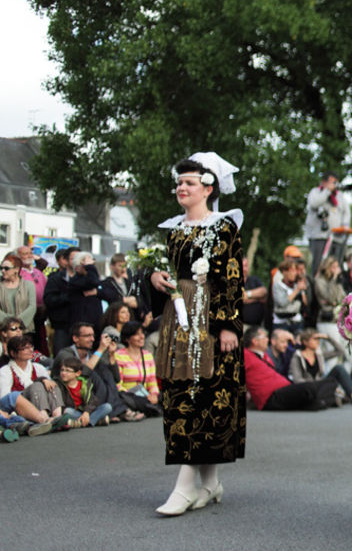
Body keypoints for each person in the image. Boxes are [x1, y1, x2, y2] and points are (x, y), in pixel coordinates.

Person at [147, 152, 245, 516]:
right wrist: (153, 280)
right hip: (178, 320)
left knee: (207, 396)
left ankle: (186, 486)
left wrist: (227, 326)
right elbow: (160, 270)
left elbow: (233, 278)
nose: (181, 188)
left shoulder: (223, 227)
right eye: (179, 182)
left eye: (189, 182)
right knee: (182, 394)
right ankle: (210, 482)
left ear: (208, 187)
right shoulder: (172, 230)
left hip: (210, 322)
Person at [243, 326, 338, 410]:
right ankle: (322, 401)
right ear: (254, 341)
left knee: (331, 381)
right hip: (271, 397)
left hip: (286, 389)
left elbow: (290, 352)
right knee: (309, 388)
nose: (267, 340)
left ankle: (317, 402)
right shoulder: (246, 355)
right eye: (265, 337)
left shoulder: (264, 356)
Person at [288, 330, 352, 405]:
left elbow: (340, 351)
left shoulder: (319, 354)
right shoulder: (297, 357)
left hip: (321, 384)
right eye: (314, 339)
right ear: (305, 342)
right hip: (308, 387)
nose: (317, 342)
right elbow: (297, 379)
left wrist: (328, 338)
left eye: (318, 339)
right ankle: (334, 397)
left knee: (338, 369)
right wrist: (314, 384)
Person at [305, 171, 351, 275]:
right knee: (319, 265)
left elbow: (346, 212)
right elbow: (314, 203)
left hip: (336, 237)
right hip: (319, 237)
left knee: (336, 265)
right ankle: (316, 286)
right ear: (324, 182)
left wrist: (345, 225)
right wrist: (327, 191)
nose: (335, 185)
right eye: (332, 182)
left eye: (336, 182)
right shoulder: (316, 192)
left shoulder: (340, 196)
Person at [313, 256, 352, 374]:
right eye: (333, 267)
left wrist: (335, 302)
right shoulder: (320, 281)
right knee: (333, 354)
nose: (336, 270)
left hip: (339, 321)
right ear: (327, 268)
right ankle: (329, 385)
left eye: (337, 267)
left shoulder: (337, 282)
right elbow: (329, 297)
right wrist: (333, 279)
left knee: (350, 355)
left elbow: (343, 299)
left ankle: (342, 384)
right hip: (327, 321)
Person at [114, 320, 161, 417]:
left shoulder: (147, 355)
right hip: (128, 395)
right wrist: (135, 397)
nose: (142, 337)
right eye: (136, 334)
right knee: (123, 398)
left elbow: (152, 380)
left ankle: (146, 407)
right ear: (127, 339)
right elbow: (118, 384)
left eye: (142, 333)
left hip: (145, 395)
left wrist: (154, 394)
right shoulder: (119, 356)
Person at [56, 356, 114, 427]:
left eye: (67, 371)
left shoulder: (84, 383)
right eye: (62, 370)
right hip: (74, 412)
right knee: (67, 411)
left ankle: (82, 422)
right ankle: (94, 421)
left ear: (77, 373)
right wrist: (44, 379)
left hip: (86, 411)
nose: (63, 373)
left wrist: (86, 412)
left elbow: (93, 401)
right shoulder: (59, 384)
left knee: (108, 407)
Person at [43, 246, 76, 354]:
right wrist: (67, 297)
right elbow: (49, 300)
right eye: (73, 258)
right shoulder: (55, 279)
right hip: (62, 326)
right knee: (61, 358)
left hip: (81, 327)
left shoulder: (87, 279)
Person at [0, 254, 36, 332]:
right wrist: (9, 321)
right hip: (4, 330)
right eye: (1, 268)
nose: (3, 271)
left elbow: (32, 306)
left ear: (16, 269)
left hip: (25, 330)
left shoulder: (28, 285)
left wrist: (19, 321)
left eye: (6, 268)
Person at [67, 251, 103, 328]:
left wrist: (98, 292)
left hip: (96, 322)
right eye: (86, 267)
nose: (89, 270)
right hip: (82, 323)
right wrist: (89, 267)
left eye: (92, 266)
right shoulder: (75, 281)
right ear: (77, 267)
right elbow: (93, 282)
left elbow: (108, 293)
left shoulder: (93, 278)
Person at [271, 259, 306, 334]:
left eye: (296, 270)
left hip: (296, 322)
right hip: (281, 322)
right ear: (284, 272)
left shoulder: (297, 284)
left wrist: (303, 291)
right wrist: (297, 290)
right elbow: (282, 303)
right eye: (292, 270)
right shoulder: (278, 286)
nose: (295, 273)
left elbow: (305, 303)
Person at [241, 258, 268, 328]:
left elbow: (264, 292)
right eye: (242, 266)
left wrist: (248, 294)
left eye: (246, 266)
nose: (244, 269)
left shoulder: (254, 280)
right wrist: (257, 298)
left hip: (258, 325)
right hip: (242, 326)